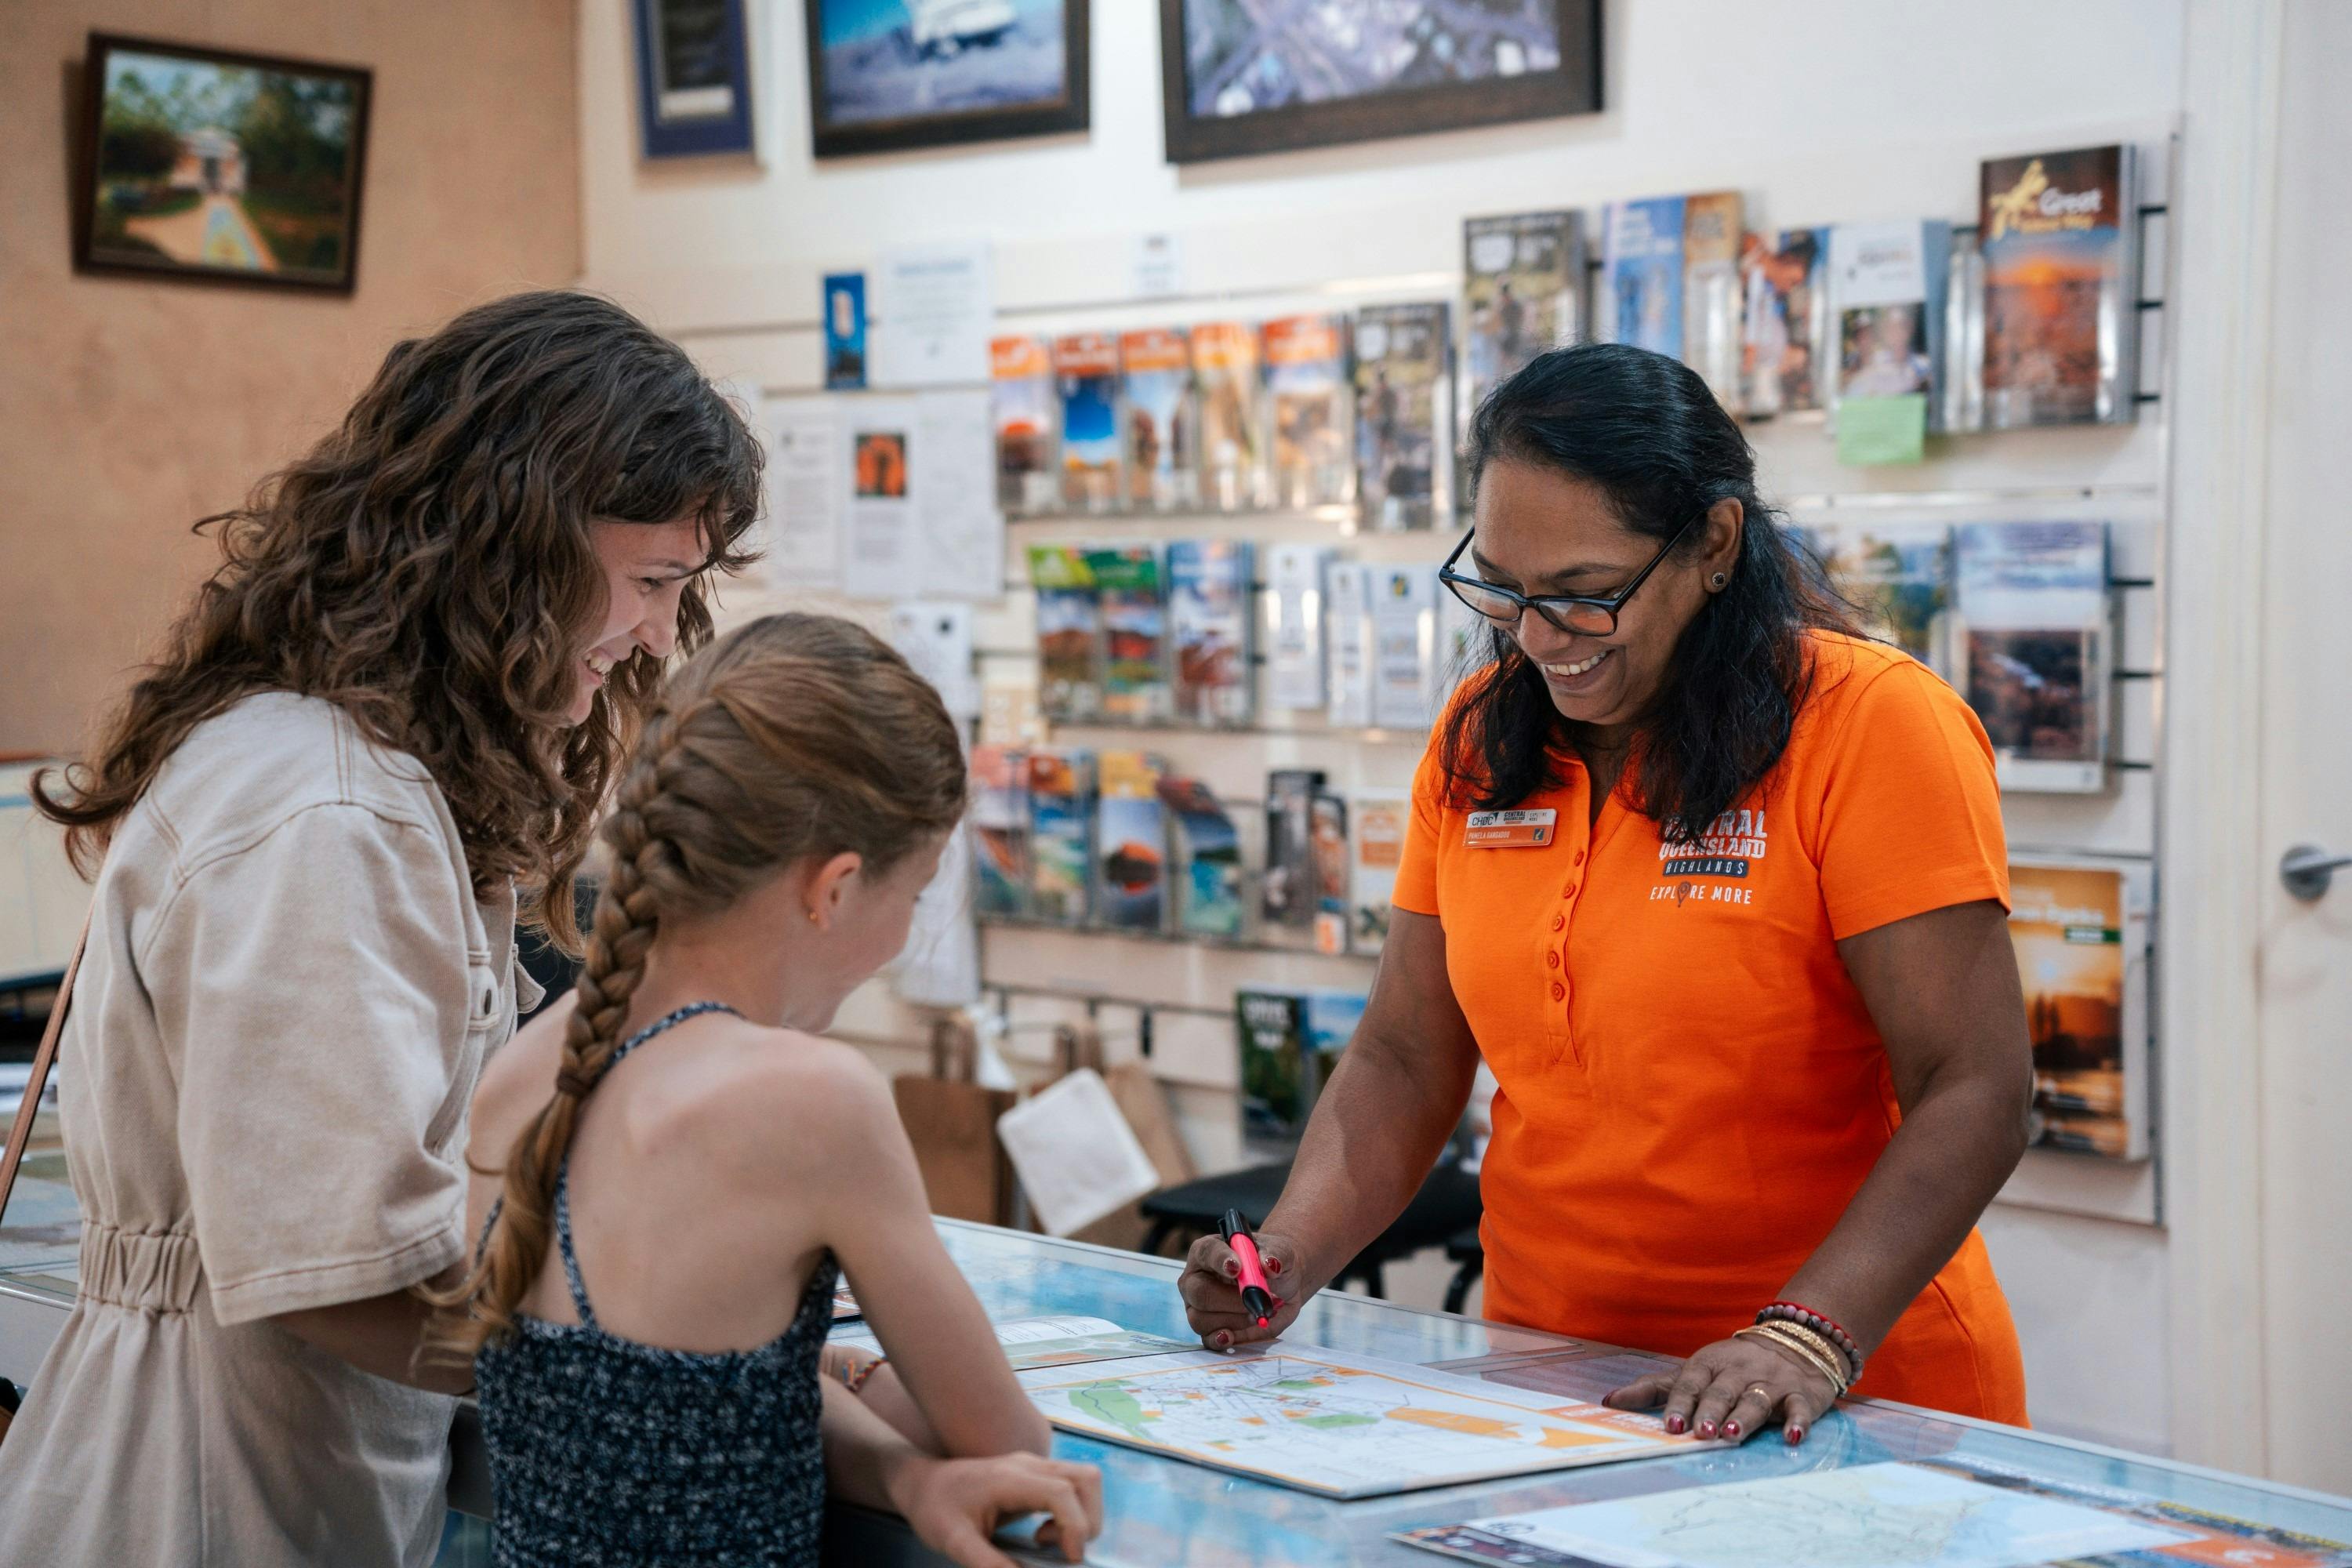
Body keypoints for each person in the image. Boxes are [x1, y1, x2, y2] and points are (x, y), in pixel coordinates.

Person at [0, 290, 763, 1564]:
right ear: (515, 549)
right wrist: (676, 1367)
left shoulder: (344, 771)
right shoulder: (329, 811)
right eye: (647, 584)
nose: (647, 637)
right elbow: (344, 1277)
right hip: (202, 1500)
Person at [1181, 342, 2034, 1446]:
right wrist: (1291, 1252)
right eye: (1505, 587)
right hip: (1551, 1381)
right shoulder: (1480, 738)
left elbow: (1975, 1086)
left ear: (1714, 544)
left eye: (1586, 596)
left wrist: (1805, 1336)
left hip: (1840, 1392)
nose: (1538, 638)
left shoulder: (1872, 725)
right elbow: (1404, 1056)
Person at [439, 612, 1102, 1567]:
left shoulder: (520, 1075)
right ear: (834, 887)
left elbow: (688, 1408)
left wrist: (901, 1473)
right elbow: (1006, 1440)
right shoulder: (816, 1100)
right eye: (913, 896)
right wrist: (860, 1375)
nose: (901, 936)